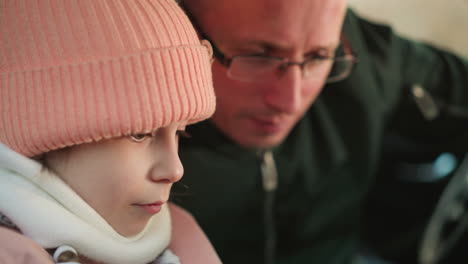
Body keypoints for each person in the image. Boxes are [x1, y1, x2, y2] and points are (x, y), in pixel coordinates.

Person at [171, 0, 468, 263]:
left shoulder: (364, 56)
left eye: (317, 58)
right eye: (258, 56)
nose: (290, 101)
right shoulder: (137, 132)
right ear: (180, 27)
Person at [0, 0, 220, 263]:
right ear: (41, 137)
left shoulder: (183, 240)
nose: (175, 170)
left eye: (179, 133)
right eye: (139, 133)